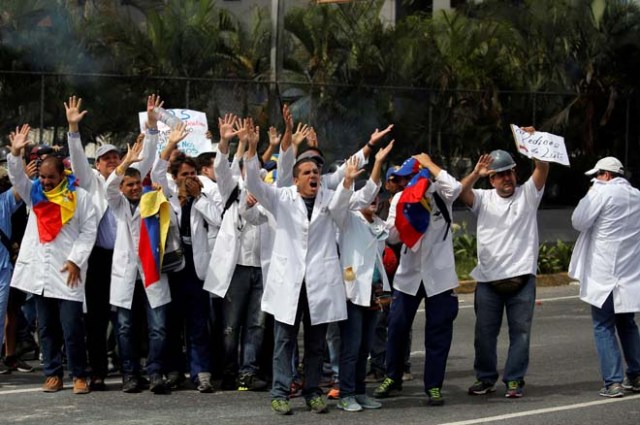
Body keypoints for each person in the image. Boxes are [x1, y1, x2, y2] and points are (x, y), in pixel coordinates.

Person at [244, 122, 376, 415]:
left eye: (316, 172)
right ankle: (280, 393)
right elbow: (253, 184)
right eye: (307, 172)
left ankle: (313, 391)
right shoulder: (281, 198)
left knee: (316, 345)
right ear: (295, 180)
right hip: (290, 282)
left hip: (319, 283)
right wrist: (253, 148)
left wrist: (351, 174)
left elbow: (344, 205)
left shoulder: (330, 200)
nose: (314, 175)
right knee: (284, 342)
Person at [66, 94, 160, 390]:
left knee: (131, 319)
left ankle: (131, 367)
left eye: (116, 158)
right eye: (106, 159)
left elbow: (149, 160)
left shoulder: (128, 181)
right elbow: (79, 158)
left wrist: (154, 128)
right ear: (98, 164)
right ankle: (97, 371)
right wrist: (73, 130)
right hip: (98, 258)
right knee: (96, 318)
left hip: (130, 260)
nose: (112, 161)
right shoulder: (91, 181)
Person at [7, 124, 97, 394]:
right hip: (41, 272)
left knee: (71, 329)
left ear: (62, 174)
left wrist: (76, 260)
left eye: (50, 178)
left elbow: (88, 230)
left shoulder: (79, 197)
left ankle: (79, 375)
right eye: (43, 177)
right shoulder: (34, 194)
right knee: (45, 328)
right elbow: (17, 179)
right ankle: (53, 375)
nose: (45, 182)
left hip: (69, 270)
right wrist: (15, 154)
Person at [459, 140, 549, 398]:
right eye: (500, 175)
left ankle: (514, 380)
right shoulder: (483, 199)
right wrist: (476, 173)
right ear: (491, 180)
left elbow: (542, 167)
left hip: (522, 279)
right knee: (484, 335)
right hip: (488, 281)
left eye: (509, 172)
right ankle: (485, 379)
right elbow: (458, 192)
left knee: (520, 333)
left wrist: (533, 143)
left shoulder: (528, 194)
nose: (506, 178)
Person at [373, 154, 461, 406]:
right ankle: (392, 377)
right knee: (397, 327)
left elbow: (455, 186)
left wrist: (430, 165)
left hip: (439, 277)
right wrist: (405, 217)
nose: (406, 183)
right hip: (408, 276)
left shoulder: (442, 195)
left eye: (411, 177)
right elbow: (390, 237)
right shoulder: (401, 198)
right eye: (404, 179)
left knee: (438, 333)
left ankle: (433, 386)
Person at [153, 123, 221, 393]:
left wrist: (199, 198)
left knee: (198, 322)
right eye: (185, 174)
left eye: (194, 173)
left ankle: (201, 372)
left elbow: (217, 220)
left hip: (197, 267)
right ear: (176, 176)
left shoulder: (203, 197)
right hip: (173, 267)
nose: (191, 177)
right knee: (172, 322)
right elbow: (157, 169)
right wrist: (170, 143)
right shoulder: (168, 195)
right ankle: (173, 371)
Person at [106, 138, 174, 395]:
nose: (135, 188)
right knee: (124, 328)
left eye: (137, 184)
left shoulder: (153, 198)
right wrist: (125, 162)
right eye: (130, 185)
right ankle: (130, 375)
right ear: (123, 188)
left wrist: (160, 194)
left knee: (158, 327)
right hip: (126, 275)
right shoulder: (118, 203)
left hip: (151, 272)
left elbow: (172, 217)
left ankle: (155, 373)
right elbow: (108, 188)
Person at [568, 156, 640, 397]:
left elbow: (578, 221)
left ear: (606, 175)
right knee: (627, 324)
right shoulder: (637, 196)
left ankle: (614, 382)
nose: (595, 181)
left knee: (603, 326)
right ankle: (637, 375)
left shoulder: (601, 193)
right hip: (629, 275)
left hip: (604, 275)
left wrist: (591, 193)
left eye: (597, 176)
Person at [331, 141, 393, 412]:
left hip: (375, 292)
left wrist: (379, 164)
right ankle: (346, 393)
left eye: (376, 199)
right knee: (351, 345)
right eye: (369, 198)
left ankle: (359, 391)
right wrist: (373, 165)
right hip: (352, 291)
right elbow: (341, 204)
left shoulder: (380, 225)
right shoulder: (347, 218)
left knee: (366, 346)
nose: (373, 201)